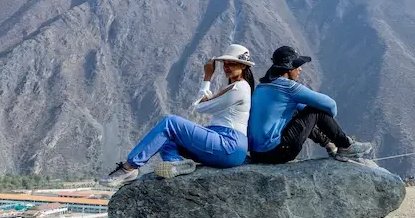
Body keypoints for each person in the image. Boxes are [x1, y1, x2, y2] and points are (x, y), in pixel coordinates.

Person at [100, 44, 255, 187]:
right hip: (224, 145)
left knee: (170, 122)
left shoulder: (239, 88)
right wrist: (206, 94)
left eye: (232, 63)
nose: (227, 67)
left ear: (243, 65)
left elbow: (200, 107)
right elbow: (203, 103)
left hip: (229, 145)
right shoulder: (234, 87)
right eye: (225, 63)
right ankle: (175, 164)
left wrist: (207, 77)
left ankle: (129, 168)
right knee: (164, 138)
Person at [248, 46, 373, 164]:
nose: (300, 69)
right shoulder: (288, 87)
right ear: (289, 68)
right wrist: (327, 119)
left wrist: (318, 120)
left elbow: (302, 113)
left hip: (256, 154)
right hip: (277, 152)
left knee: (301, 112)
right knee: (316, 109)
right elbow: (330, 104)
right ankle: (346, 146)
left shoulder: (262, 86)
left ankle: (329, 144)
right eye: (297, 65)